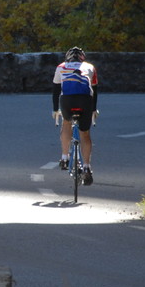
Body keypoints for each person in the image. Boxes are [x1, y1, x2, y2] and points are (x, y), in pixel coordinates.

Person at [52, 46, 98, 185]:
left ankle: (64, 158)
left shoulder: (61, 66)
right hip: (85, 100)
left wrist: (55, 110)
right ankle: (87, 167)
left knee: (66, 122)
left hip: (68, 100)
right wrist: (93, 110)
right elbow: (95, 91)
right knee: (85, 133)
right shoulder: (90, 67)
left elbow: (56, 91)